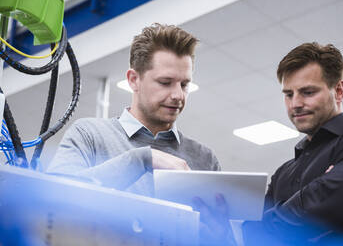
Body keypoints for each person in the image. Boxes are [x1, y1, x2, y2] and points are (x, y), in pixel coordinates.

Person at [46, 23, 220, 196]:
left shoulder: (205, 159)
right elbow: (55, 195)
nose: (178, 95)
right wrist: (141, 160)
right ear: (133, 80)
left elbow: (227, 223)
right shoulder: (90, 135)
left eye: (184, 84)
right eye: (165, 82)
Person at [241, 42, 343, 245]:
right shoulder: (282, 174)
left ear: (338, 91)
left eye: (308, 92)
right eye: (288, 94)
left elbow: (322, 212)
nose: (295, 104)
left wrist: (269, 223)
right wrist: (317, 190)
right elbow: (251, 235)